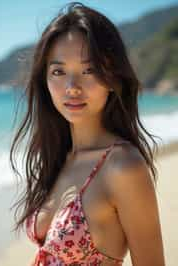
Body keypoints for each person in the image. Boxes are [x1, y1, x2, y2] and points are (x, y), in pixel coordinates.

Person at [10, 2, 165, 266]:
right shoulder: (62, 156)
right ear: (45, 80)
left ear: (113, 79)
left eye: (89, 70)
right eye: (58, 71)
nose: (72, 87)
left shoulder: (123, 166)